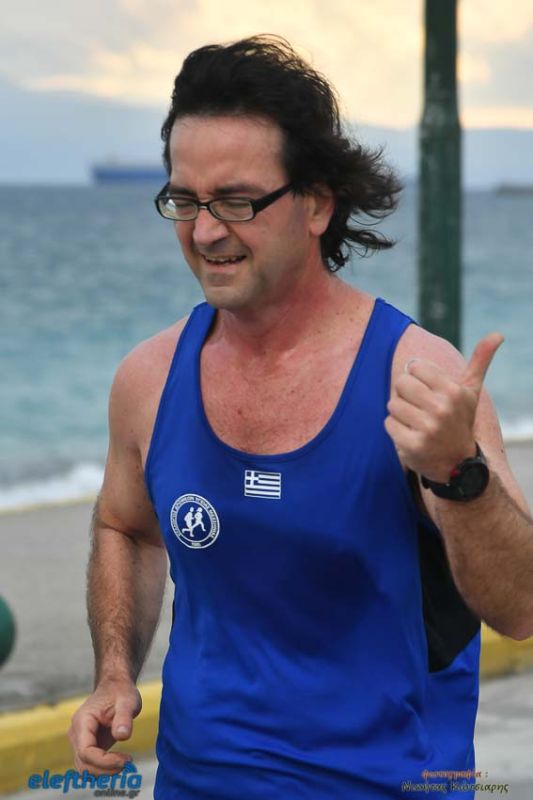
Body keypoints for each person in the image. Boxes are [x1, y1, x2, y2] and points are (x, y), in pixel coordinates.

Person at [69, 35, 533, 798]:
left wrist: (459, 474)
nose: (205, 231)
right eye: (184, 201)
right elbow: (127, 525)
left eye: (236, 201)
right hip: (195, 781)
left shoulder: (414, 377)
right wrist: (114, 672)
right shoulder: (148, 378)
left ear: (316, 204)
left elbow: (519, 609)